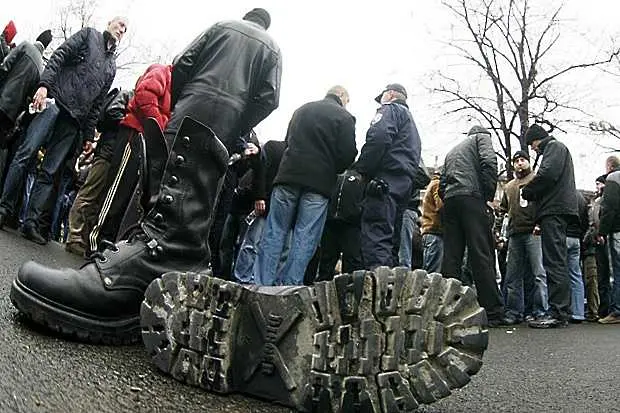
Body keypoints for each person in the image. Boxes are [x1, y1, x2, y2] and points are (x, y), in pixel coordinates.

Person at [11, 9, 281, 344]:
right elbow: (269, 99)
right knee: (173, 192)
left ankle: (160, 256)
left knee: (167, 188)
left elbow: (183, 64)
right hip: (229, 121)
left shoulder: (222, 26)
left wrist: (183, 100)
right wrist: (239, 124)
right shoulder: (271, 48)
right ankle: (169, 262)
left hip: (190, 107)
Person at [0, 17, 127, 243]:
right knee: (26, 153)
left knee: (50, 171)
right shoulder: (88, 35)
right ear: (109, 23)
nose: (121, 30)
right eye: (119, 24)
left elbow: (98, 103)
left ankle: (31, 222)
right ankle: (3, 208)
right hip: (55, 101)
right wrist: (43, 86)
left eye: (125, 29)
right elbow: (59, 55)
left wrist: (89, 135)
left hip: (74, 120)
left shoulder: (111, 67)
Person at [256, 85, 357, 286]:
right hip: (318, 184)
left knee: (275, 231)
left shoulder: (302, 110)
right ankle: (289, 286)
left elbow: (288, 141)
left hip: (288, 176)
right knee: (305, 236)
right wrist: (332, 167)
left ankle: (260, 284)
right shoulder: (344, 118)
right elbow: (348, 154)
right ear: (343, 97)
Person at [440, 125, 504, 326]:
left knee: (451, 256)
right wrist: (487, 195)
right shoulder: (481, 139)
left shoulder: (452, 151)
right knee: (481, 253)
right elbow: (489, 161)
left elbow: (442, 181)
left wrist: (448, 195)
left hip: (451, 199)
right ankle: (492, 311)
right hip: (472, 196)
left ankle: (448, 309)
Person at [355, 83, 421, 270]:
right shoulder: (412, 124)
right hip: (403, 184)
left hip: (384, 180)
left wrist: (364, 169)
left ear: (390, 94)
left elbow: (379, 137)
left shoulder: (390, 110)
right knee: (392, 240)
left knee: (376, 234)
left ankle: (377, 288)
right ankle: (389, 288)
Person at [521, 124, 578, 328]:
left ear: (538, 139)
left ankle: (558, 312)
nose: (533, 149)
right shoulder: (557, 148)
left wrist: (528, 190)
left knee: (554, 261)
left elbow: (547, 175)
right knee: (557, 260)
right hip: (557, 210)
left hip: (554, 210)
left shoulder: (554, 147)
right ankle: (561, 310)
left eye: (532, 144)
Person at [499, 150, 549, 324]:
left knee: (538, 273)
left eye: (523, 160)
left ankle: (541, 311)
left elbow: (544, 204)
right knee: (513, 275)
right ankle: (514, 312)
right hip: (515, 233)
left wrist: (539, 224)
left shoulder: (536, 181)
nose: (519, 163)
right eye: (516, 161)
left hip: (533, 231)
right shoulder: (509, 186)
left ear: (528, 162)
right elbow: (504, 209)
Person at [0, 30, 52, 142]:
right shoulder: (40, 70)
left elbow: (5, 65)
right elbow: (29, 98)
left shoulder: (25, 46)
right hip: (11, 115)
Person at [598, 156, 620, 324]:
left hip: (617, 230)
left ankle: (617, 311)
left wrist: (602, 231)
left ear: (609, 166)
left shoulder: (613, 179)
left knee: (617, 271)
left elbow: (609, 207)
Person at [421, 169, 444, 273]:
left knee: (429, 269)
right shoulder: (437, 184)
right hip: (434, 230)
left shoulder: (432, 183)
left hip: (429, 231)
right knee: (432, 274)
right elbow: (440, 205)